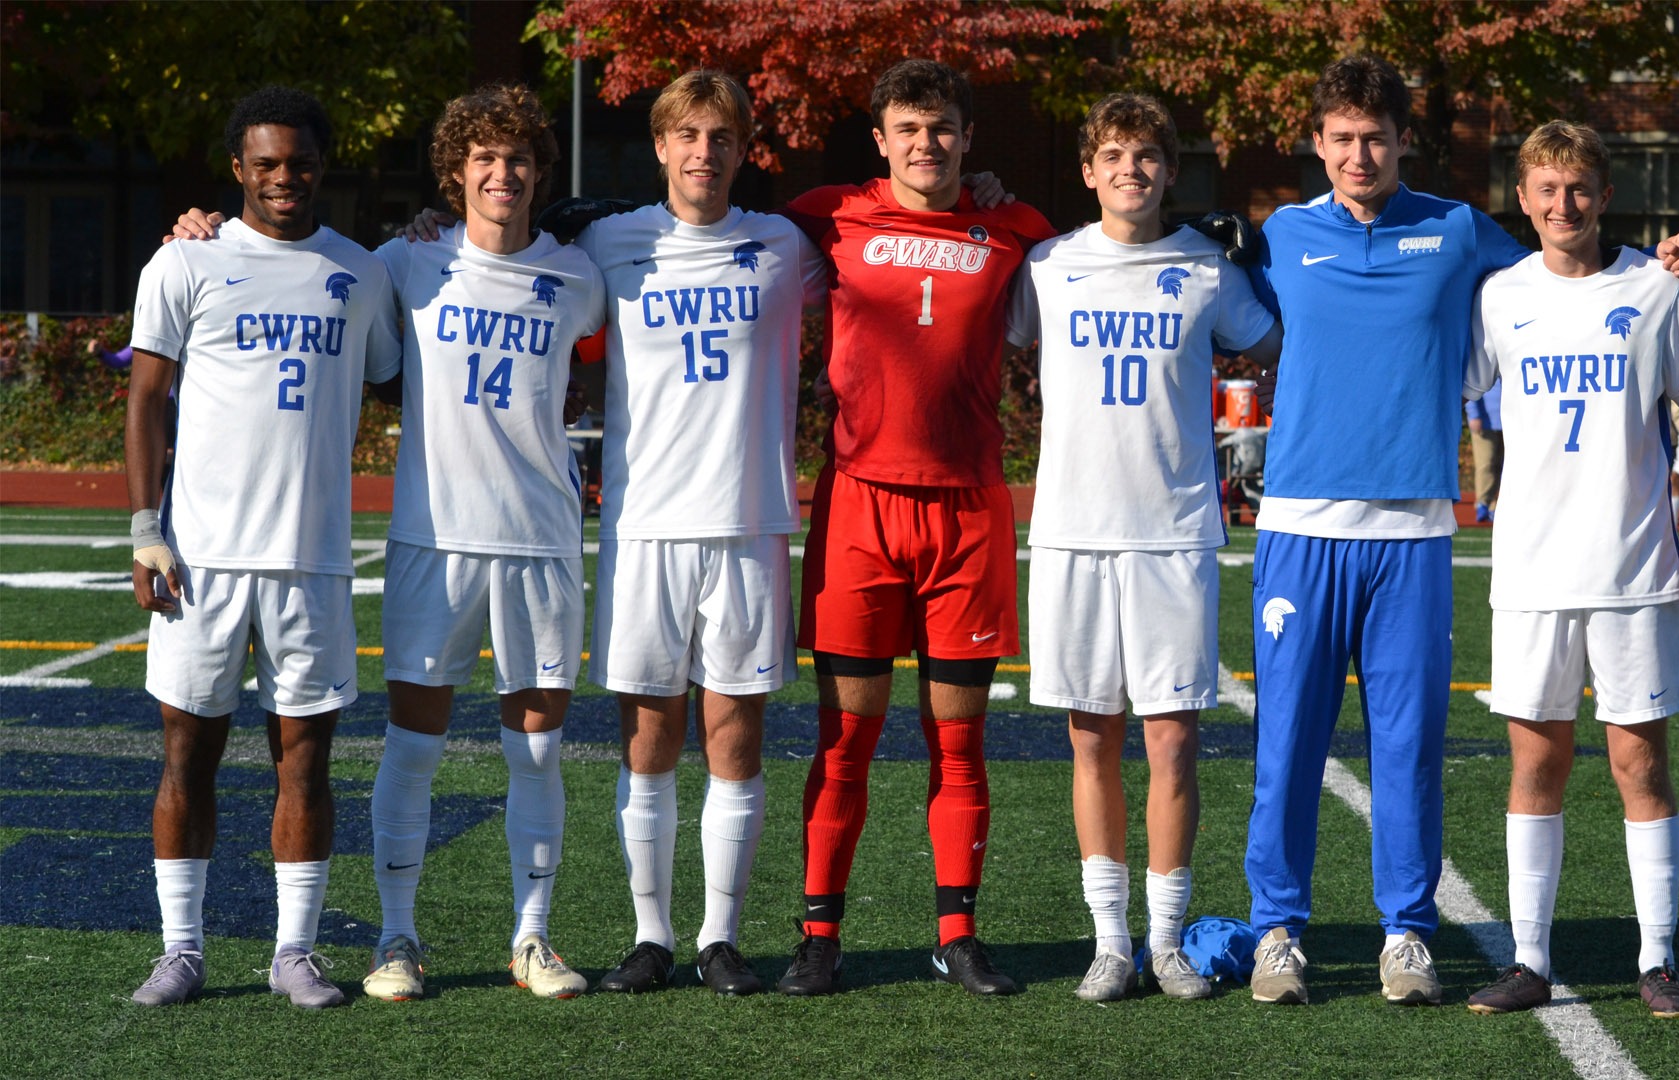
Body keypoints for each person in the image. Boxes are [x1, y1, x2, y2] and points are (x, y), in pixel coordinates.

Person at [1240, 55, 1679, 1008]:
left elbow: (1570, 270)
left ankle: (1405, 934)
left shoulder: (1457, 230)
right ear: (1317, 145)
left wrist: (1661, 266)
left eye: (1376, 137)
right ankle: (1277, 929)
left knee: (1407, 744)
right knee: (1286, 742)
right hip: (1297, 523)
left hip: (1413, 530)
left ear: (1403, 142)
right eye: (1341, 138)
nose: (1358, 153)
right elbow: (1173, 260)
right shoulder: (1279, 235)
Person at [170, 86, 608, 1001]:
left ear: (540, 170)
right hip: (431, 540)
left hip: (542, 543)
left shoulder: (582, 274)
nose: (503, 173)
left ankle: (533, 937)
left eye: (519, 157)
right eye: (483, 158)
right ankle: (396, 941)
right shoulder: (405, 263)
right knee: (413, 747)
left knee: (536, 751)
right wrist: (200, 228)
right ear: (454, 172)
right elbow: (312, 292)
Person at [776, 59, 1054, 997]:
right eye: (908, 128)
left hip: (968, 512)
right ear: (880, 141)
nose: (925, 144)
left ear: (968, 140)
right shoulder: (828, 214)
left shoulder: (1015, 228)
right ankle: (819, 933)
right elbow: (716, 225)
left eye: (942, 129)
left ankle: (957, 931)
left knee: (959, 743)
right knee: (845, 740)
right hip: (860, 506)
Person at [125, 85, 401, 1008]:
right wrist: (142, 529)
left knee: (306, 762)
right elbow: (146, 401)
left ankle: (294, 954)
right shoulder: (187, 262)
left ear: (324, 165)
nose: (287, 177)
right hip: (200, 561)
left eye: (302, 161)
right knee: (186, 757)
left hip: (313, 561)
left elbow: (396, 376)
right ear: (239, 169)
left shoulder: (362, 273)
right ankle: (182, 951)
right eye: (267, 163)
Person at [1459, 120, 1679, 1021]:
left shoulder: (1658, 290)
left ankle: (1657, 959)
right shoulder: (1498, 295)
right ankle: (1530, 960)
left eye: (1578, 188)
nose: (1563, 204)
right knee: (1536, 769)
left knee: (1638, 767)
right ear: (1524, 196)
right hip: (1532, 573)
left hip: (1632, 568)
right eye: (1546, 188)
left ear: (1604, 195)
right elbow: (1441, 384)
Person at [1005, 92, 1280, 1002]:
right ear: (1089, 170)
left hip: (1172, 533)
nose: (1132, 169)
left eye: (1149, 156)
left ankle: (1165, 942)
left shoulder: (1206, 267)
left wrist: (1264, 260)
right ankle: (1110, 941)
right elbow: (977, 318)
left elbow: (1278, 340)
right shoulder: (1047, 265)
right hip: (1074, 530)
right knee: (1092, 740)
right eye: (1114, 154)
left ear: (1171, 170)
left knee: (1172, 742)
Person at [569, 71, 824, 998]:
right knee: (647, 736)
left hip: (749, 522)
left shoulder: (785, 244)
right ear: (661, 146)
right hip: (644, 527)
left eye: (720, 137)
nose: (703, 153)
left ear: (743, 147)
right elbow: (506, 252)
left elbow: (885, 234)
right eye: (687, 136)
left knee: (734, 739)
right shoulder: (608, 241)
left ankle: (719, 937)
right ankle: (651, 937)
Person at [1465, 380, 1504, 522]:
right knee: (1486, 463)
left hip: (1507, 420)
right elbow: (1472, 384)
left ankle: (1494, 506)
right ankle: (1482, 504)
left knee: (1502, 466)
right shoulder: (1483, 357)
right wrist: (1474, 414)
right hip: (1485, 421)